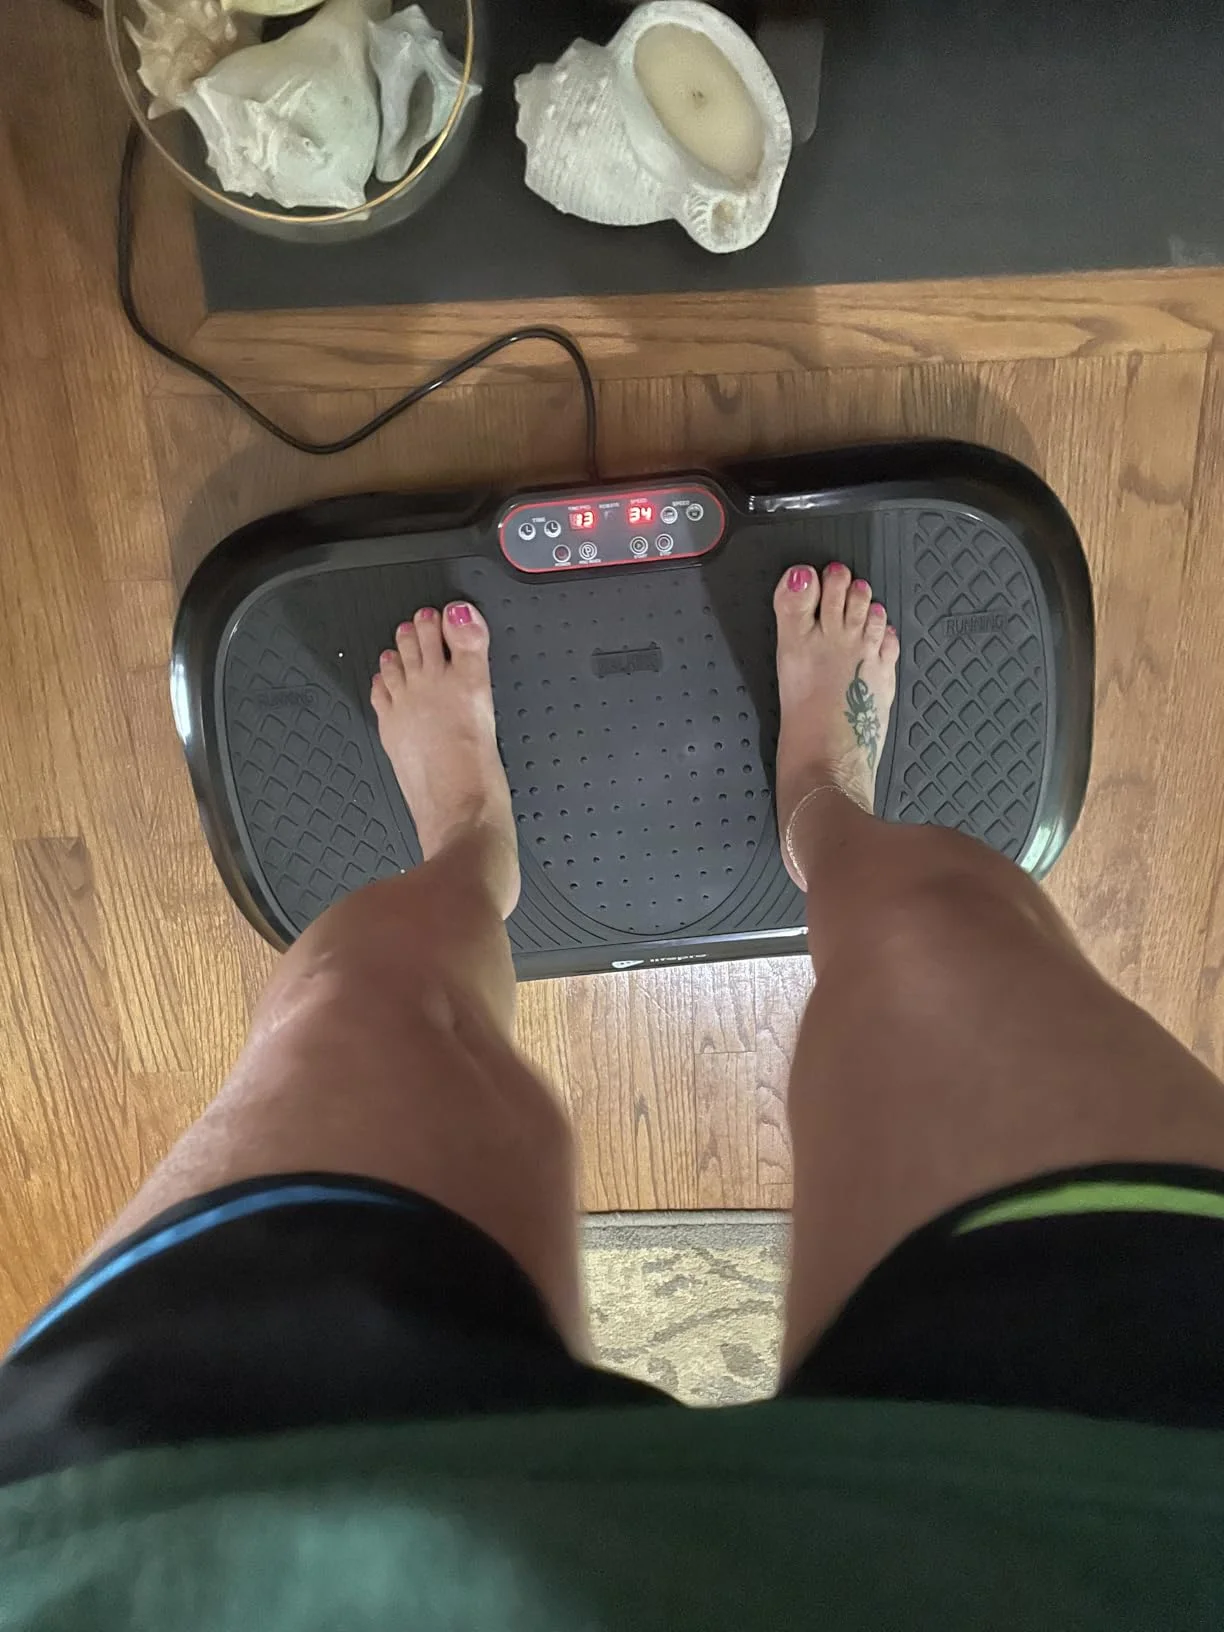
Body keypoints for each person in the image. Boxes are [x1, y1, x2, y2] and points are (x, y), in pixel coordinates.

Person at [2, 564, 1224, 1628]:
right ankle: (821, 800)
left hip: (227, 1539)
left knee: (361, 1007)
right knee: (942, 931)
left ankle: (476, 839)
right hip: (1147, 1485)